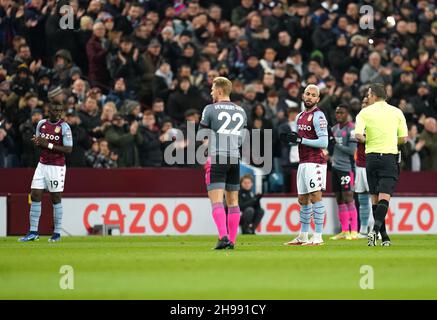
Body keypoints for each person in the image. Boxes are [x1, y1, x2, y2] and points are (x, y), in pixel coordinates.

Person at [355, 83, 408, 247]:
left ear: (374, 95)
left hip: (371, 159)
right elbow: (404, 139)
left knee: (375, 198)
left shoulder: (364, 113)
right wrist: (391, 140)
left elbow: (358, 136)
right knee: (385, 197)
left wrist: (368, 140)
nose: (368, 97)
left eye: (369, 94)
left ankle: (383, 236)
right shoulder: (397, 112)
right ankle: (375, 230)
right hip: (389, 158)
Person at [200, 77, 247, 250]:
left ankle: (223, 237)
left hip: (217, 157)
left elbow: (202, 136)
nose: (211, 92)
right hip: (235, 158)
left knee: (217, 201)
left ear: (219, 90)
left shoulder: (210, 109)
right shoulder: (241, 111)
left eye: (212, 89)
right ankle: (232, 241)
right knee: (233, 201)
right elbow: (243, 137)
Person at [281, 84, 329, 246]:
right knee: (302, 199)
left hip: (315, 162)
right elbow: (299, 138)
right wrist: (291, 139)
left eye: (313, 95)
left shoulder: (318, 116)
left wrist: (301, 140)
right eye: (307, 94)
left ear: (318, 99)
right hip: (303, 161)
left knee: (316, 197)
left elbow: (324, 141)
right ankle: (303, 235)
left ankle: (318, 236)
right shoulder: (300, 116)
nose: (309, 97)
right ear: (303, 95)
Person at [19, 104, 73, 242]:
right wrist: (37, 142)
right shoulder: (41, 124)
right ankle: (33, 232)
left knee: (55, 197)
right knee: (35, 194)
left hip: (57, 166)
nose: (58, 113)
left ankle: (57, 234)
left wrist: (47, 144)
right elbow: (39, 142)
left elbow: (68, 149)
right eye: (55, 110)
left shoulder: (64, 127)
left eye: (60, 110)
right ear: (48, 111)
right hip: (42, 164)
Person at [329, 105, 358, 240]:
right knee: (339, 199)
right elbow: (330, 148)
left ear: (347, 114)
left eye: (341, 112)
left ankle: (354, 230)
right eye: (337, 112)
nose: (338, 115)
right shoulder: (333, 129)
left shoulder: (352, 129)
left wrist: (336, 144)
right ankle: (345, 230)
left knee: (348, 197)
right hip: (335, 168)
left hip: (347, 168)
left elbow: (352, 151)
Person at [354, 97, 372, 238]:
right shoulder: (359, 119)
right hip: (360, 165)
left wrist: (364, 138)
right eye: (363, 102)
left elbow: (359, 137)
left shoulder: (376, 119)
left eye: (367, 102)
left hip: (373, 164)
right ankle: (364, 229)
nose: (364, 104)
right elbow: (357, 137)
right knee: (362, 199)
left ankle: (375, 229)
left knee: (375, 199)